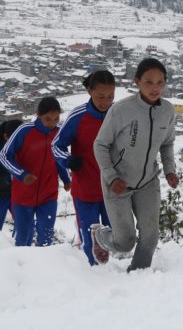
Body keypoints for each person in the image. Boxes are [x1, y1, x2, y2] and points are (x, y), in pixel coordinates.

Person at [92, 58, 179, 272]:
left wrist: (170, 171)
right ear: (137, 82)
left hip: (148, 181)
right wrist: (112, 177)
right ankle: (99, 235)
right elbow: (100, 145)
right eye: (149, 82)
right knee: (125, 242)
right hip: (118, 183)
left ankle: (138, 277)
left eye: (160, 82)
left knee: (150, 237)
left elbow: (167, 144)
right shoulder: (121, 110)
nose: (155, 88)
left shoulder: (168, 111)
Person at [52, 70, 115, 265]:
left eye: (110, 96)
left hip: (112, 188)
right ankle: (93, 271)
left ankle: (112, 270)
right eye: (100, 96)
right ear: (89, 91)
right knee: (90, 235)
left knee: (116, 233)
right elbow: (56, 145)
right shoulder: (78, 117)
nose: (105, 101)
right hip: (85, 187)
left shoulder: (117, 114)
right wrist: (68, 160)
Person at [0, 96, 70, 247]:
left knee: (46, 236)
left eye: (56, 119)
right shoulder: (24, 131)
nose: (52, 123)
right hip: (23, 195)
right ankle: (22, 267)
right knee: (23, 237)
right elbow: (4, 156)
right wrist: (22, 174)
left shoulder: (58, 134)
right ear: (39, 114)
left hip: (48, 194)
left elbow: (59, 158)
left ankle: (43, 268)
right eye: (48, 119)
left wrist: (66, 179)